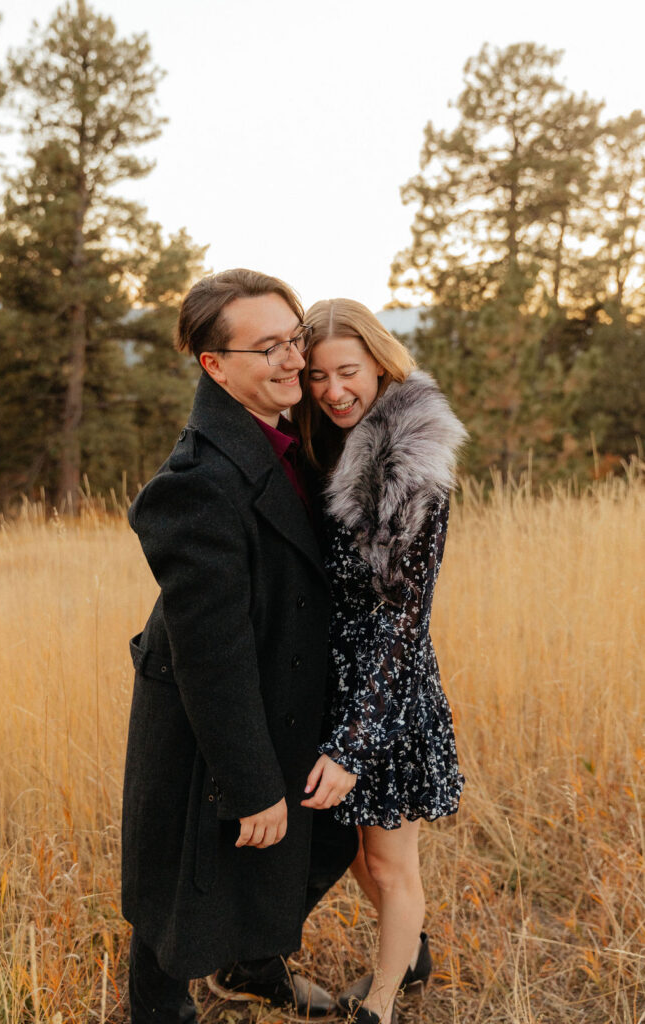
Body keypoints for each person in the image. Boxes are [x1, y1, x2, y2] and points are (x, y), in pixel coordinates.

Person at [122, 269, 358, 1024]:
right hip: (210, 710)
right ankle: (158, 1011)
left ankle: (252, 967)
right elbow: (211, 652)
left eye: (295, 339)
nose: (294, 360)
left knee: (313, 846)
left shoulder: (295, 435)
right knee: (182, 876)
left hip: (284, 686)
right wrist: (250, 782)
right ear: (214, 366)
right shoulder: (195, 482)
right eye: (269, 348)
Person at [292, 298, 468, 1024]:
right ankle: (414, 951)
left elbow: (403, 623)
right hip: (333, 682)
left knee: (392, 863)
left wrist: (356, 741)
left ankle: (385, 1002)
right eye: (317, 376)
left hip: (385, 691)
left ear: (380, 362)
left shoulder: (409, 466)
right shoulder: (321, 442)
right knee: (361, 858)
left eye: (348, 372)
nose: (333, 389)